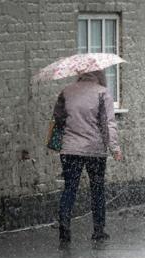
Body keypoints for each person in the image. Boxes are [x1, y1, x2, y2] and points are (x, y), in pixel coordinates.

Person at [53, 70, 122, 248]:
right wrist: (114, 148)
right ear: (99, 75)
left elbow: (58, 119)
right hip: (95, 150)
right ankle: (98, 231)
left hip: (69, 149)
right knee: (97, 189)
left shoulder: (66, 91)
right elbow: (108, 123)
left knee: (70, 188)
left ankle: (64, 227)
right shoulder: (102, 92)